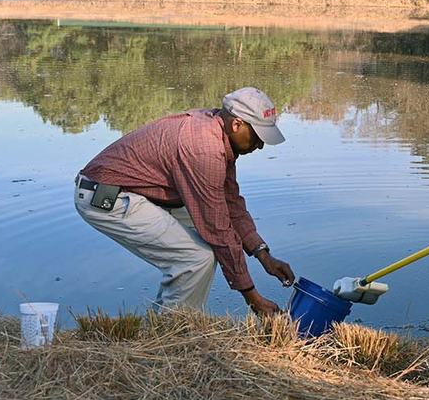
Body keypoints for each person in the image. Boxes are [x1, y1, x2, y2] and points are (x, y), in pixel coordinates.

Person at [74, 87, 296, 317]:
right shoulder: (203, 149)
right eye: (258, 137)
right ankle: (174, 333)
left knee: (207, 245)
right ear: (237, 125)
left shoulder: (218, 134)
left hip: (139, 192)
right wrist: (253, 298)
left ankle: (166, 321)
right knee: (195, 258)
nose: (260, 146)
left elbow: (230, 204)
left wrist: (263, 254)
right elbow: (218, 229)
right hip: (106, 196)